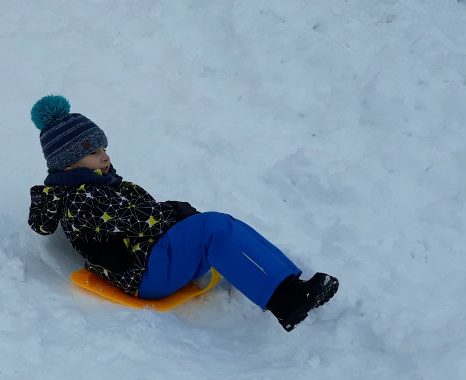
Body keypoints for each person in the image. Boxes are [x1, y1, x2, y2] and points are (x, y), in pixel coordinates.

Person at [27, 95, 338, 332]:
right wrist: (177, 212)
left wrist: (180, 218)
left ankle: (291, 285)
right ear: (68, 163)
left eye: (104, 149)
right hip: (141, 274)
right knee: (213, 226)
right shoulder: (80, 199)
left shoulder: (99, 187)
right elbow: (140, 220)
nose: (105, 157)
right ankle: (287, 301)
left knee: (222, 225)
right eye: (94, 153)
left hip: (150, 263)